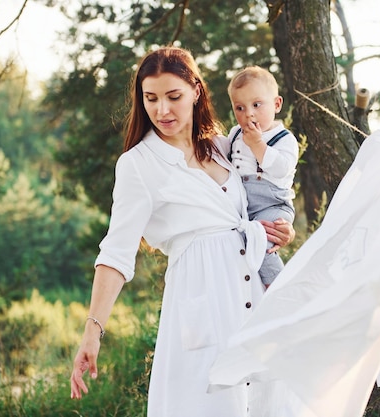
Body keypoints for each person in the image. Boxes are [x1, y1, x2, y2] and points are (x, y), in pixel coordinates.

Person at [69, 46, 296, 417]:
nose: (162, 110)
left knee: (270, 403)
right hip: (202, 306)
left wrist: (278, 228)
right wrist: (92, 331)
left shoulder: (224, 147)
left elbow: (266, 189)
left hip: (255, 295)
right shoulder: (138, 165)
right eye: (151, 98)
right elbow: (116, 253)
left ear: (196, 92)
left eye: (173, 97)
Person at [226, 66, 299, 287]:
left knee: (260, 240)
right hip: (246, 207)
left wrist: (258, 144)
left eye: (257, 105)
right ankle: (256, 288)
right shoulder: (235, 134)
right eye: (240, 107)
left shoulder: (284, 138)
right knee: (244, 244)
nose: (248, 113)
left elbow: (281, 168)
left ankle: (278, 290)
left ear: (276, 104)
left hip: (274, 204)